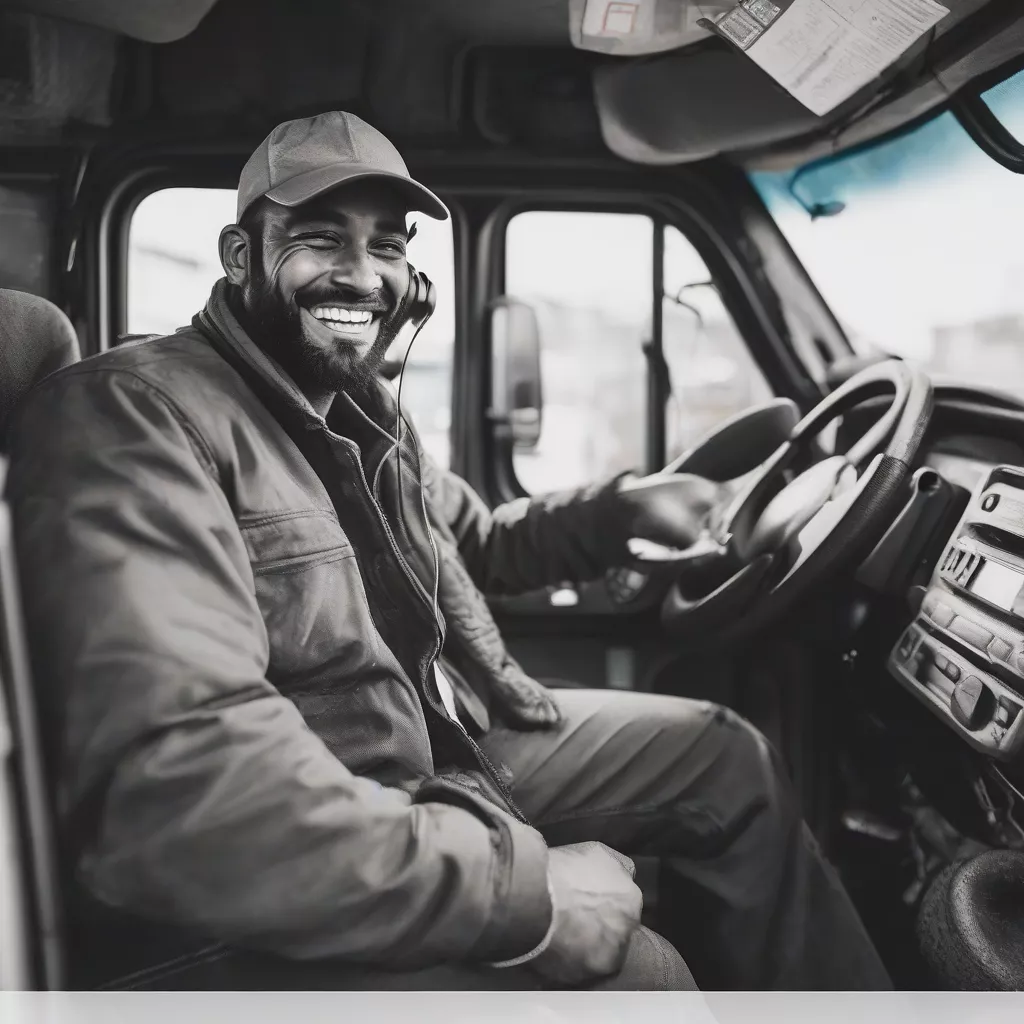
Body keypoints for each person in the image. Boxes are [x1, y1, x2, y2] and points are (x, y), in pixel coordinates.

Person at [5, 111, 891, 992]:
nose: (363, 275)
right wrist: (523, 899)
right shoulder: (133, 417)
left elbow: (477, 545)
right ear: (240, 257)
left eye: (388, 247)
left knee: (723, 757)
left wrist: (626, 505)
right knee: (643, 975)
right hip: (297, 829)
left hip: (435, 746)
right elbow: (185, 788)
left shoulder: (356, 407)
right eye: (320, 239)